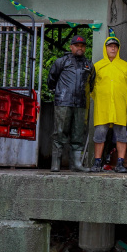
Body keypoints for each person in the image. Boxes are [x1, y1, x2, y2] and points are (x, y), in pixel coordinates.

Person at [91, 34, 127, 173]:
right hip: (102, 108)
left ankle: (120, 163)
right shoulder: (97, 66)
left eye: (115, 47)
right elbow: (91, 87)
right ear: (105, 48)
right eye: (110, 46)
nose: (113, 49)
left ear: (118, 49)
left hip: (119, 107)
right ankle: (97, 162)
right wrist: (99, 98)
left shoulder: (125, 66)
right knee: (99, 136)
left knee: (121, 136)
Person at [48, 34, 93, 172]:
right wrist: (59, 93)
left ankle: (76, 164)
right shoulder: (61, 61)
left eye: (82, 46)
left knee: (78, 133)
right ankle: (56, 164)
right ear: (71, 47)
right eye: (77, 45)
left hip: (81, 104)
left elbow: (91, 83)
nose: (80, 48)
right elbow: (51, 79)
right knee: (60, 132)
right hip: (63, 102)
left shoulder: (89, 64)